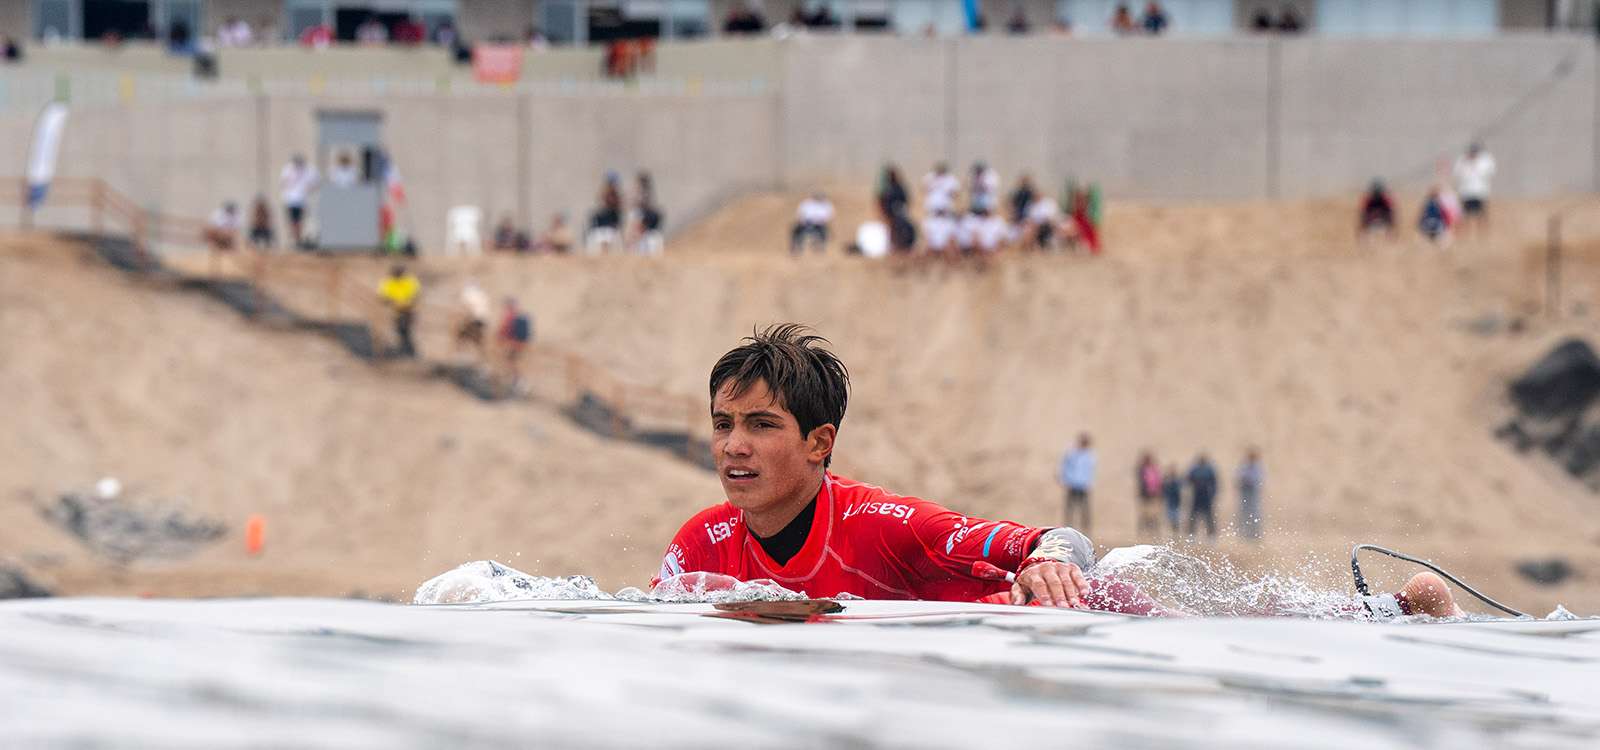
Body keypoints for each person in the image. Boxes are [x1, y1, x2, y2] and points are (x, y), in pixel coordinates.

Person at [652, 325, 1464, 619]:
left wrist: (1046, 564)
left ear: (820, 442)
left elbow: (1061, 536)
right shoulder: (699, 544)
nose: (734, 446)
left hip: (1073, 612)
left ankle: (1392, 610)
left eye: (762, 425)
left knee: (1228, 629)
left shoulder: (883, 524)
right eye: (723, 424)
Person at [1453, 142, 1496, 238]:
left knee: (1481, 215)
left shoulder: (1485, 161)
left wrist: (1475, 165)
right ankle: (1464, 235)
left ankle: (1483, 235)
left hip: (1480, 192)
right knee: (1465, 216)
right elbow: (1457, 173)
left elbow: (1489, 172)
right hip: (1466, 192)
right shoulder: (1463, 160)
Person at [377, 265, 421, 358]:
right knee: (400, 330)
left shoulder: (409, 280)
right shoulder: (389, 282)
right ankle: (406, 350)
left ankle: (408, 350)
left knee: (405, 329)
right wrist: (387, 299)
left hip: (408, 309)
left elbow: (416, 293)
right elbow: (383, 295)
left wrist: (409, 300)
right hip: (396, 311)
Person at [279, 154, 318, 250]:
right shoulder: (288, 169)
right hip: (291, 200)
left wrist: (308, 190)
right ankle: (296, 240)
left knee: (300, 221)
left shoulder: (309, 170)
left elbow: (316, 182)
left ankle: (299, 239)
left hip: (302, 200)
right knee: (294, 221)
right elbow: (283, 182)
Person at [1058, 433, 1096, 533]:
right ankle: (1068, 529)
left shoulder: (1090, 455)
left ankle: (1085, 531)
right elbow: (1065, 467)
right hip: (1072, 485)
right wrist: (1065, 480)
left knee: (1084, 510)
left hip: (1083, 486)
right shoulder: (1072, 454)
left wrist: (1089, 483)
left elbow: (1090, 471)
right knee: (1070, 509)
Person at [498, 297, 533, 393]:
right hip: (521, 344)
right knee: (513, 361)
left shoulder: (511, 316)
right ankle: (517, 382)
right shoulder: (521, 315)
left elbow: (505, 329)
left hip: (514, 343)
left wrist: (501, 338)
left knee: (511, 362)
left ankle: (519, 382)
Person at [454, 280, 491, 363]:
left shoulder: (468, 294)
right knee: (478, 341)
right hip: (482, 321)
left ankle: (462, 357)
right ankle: (482, 360)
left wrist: (463, 321)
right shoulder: (482, 295)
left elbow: (467, 308)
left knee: (461, 338)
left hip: (473, 319)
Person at [1186, 453, 1218, 540]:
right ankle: (1191, 534)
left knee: (1208, 516)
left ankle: (1211, 535)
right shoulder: (1195, 469)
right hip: (1196, 495)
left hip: (1206, 495)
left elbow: (1214, 482)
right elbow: (1188, 479)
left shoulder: (1209, 470)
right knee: (1193, 515)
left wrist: (1213, 494)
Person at [1237, 449, 1265, 541]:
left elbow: (1260, 480)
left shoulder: (1258, 467)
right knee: (1244, 513)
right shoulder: (1244, 467)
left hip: (1253, 492)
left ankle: (1255, 534)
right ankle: (1244, 533)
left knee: (1254, 513)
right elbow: (1238, 477)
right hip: (1245, 491)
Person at [1136, 452, 1162, 538]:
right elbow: (1141, 482)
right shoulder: (1142, 469)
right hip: (1145, 495)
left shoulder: (1153, 469)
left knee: (1154, 513)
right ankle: (1144, 531)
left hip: (1154, 494)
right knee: (1145, 513)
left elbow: (1158, 482)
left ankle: (1153, 531)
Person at [1161, 463, 1184, 536]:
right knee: (1170, 518)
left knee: (1176, 519)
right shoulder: (1167, 480)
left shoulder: (1178, 480)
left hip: (1177, 502)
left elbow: (1181, 488)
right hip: (1169, 503)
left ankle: (1176, 532)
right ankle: (1172, 533)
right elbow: (1164, 490)